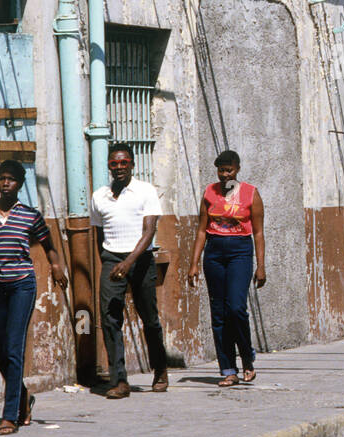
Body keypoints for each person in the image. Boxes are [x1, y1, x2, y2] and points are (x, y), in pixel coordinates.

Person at [0, 160, 67, 436]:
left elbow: (48, 245)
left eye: (11, 179)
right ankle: (22, 397)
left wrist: (57, 268)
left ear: (20, 184)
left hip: (23, 285)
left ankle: (10, 416)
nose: (5, 183)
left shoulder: (30, 215)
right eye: (1, 178)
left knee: (14, 348)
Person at [91, 142, 171, 399]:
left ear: (132, 164)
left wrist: (129, 262)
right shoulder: (99, 196)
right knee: (110, 319)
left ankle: (160, 368)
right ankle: (120, 381)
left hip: (141, 260)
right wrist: (110, 260)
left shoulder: (145, 191)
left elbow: (149, 232)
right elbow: (99, 233)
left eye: (124, 162)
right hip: (112, 260)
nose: (119, 167)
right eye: (114, 163)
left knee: (150, 319)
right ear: (109, 166)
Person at [188, 150, 265, 387]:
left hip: (240, 252)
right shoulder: (209, 193)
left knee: (236, 308)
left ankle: (247, 357)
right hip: (214, 253)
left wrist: (261, 266)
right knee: (219, 312)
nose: (224, 175)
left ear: (238, 169)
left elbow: (259, 233)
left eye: (229, 170)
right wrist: (193, 264)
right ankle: (228, 369)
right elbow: (201, 230)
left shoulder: (251, 193)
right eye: (221, 170)